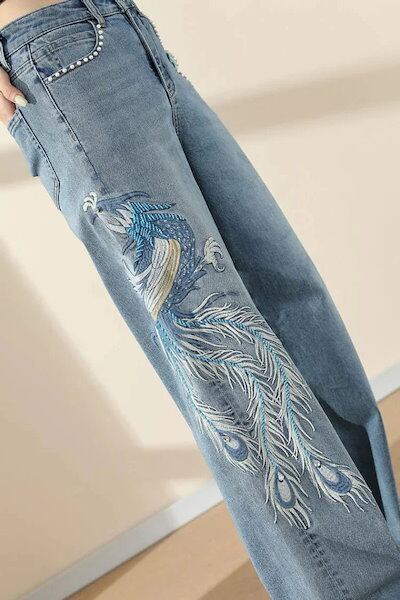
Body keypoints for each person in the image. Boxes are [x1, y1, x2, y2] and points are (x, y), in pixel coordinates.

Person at [1, 1, 399, 598]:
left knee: (292, 300)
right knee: (224, 357)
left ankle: (386, 546)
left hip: (124, 32)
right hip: (58, 67)